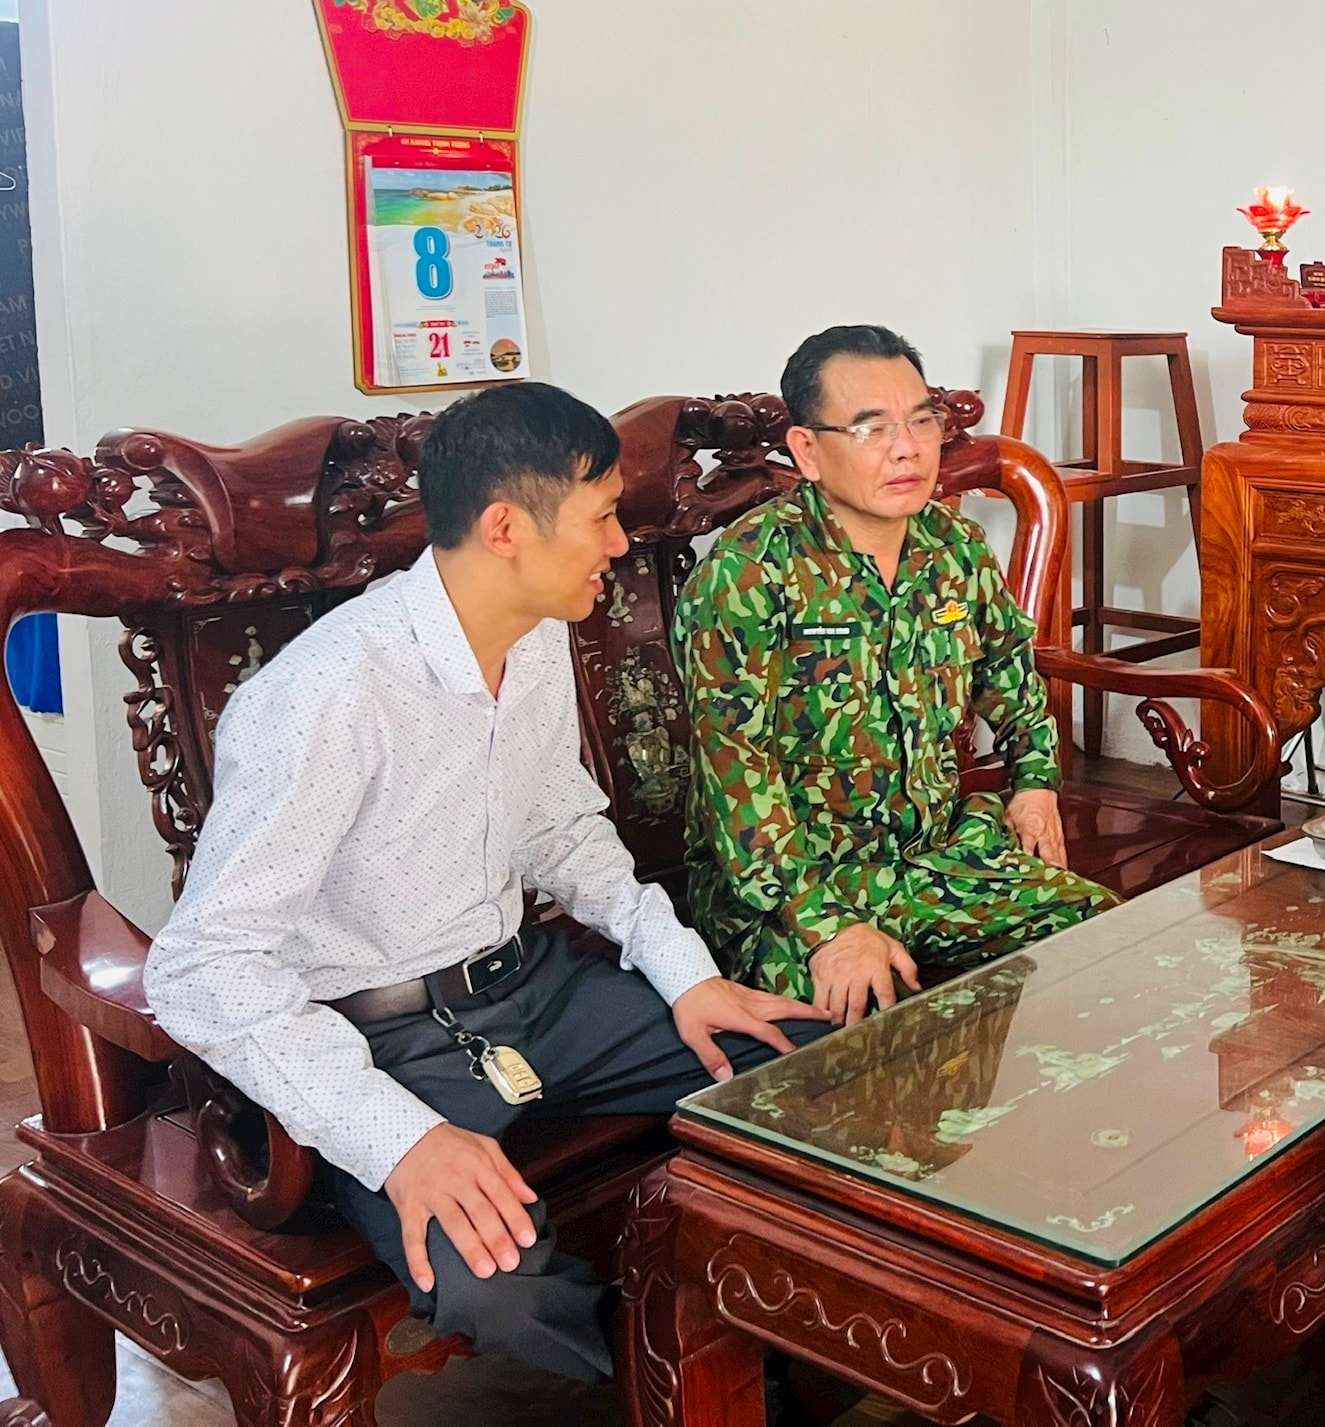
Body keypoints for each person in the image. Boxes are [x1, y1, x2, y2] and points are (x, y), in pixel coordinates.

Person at [145, 382, 829, 1401]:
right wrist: (400, 1140)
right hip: (387, 1044)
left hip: (534, 990)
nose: (619, 546)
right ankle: (715, 1393)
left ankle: (780, 1348)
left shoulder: (534, 630)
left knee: (815, 1068)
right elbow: (201, 969)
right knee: (498, 1290)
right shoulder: (324, 696)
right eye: (602, 517)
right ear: (506, 527)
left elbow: (562, 830)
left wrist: (686, 975)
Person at [675, 324, 1115, 1025]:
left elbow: (1010, 669)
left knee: (1106, 939)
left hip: (935, 858)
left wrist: (1035, 781)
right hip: (791, 894)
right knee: (877, 1027)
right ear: (807, 450)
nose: (907, 448)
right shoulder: (749, 572)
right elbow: (737, 776)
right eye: (871, 428)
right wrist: (827, 928)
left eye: (921, 420)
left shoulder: (955, 546)